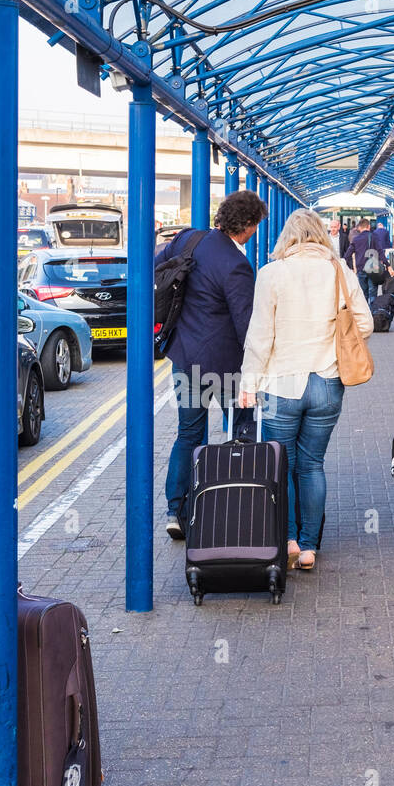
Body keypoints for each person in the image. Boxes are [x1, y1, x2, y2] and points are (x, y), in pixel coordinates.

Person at [238, 208, 373, 571]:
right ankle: (311, 547)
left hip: (282, 384)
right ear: (320, 235)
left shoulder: (271, 274)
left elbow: (260, 336)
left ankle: (290, 539)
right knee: (312, 464)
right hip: (328, 382)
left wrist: (248, 383)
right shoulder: (339, 270)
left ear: (288, 236)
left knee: (283, 464)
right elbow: (366, 323)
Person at [157, 189, 267, 540]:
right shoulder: (236, 264)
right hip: (224, 366)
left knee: (188, 433)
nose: (255, 232)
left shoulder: (189, 239)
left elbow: (159, 269)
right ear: (247, 226)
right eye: (255, 226)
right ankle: (235, 502)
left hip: (185, 356)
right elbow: (244, 322)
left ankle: (176, 510)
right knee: (241, 431)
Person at [345, 218, 378, 305]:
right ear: (369, 226)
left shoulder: (356, 239)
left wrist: (343, 262)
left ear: (360, 227)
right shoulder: (374, 237)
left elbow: (348, 253)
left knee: (363, 293)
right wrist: (388, 265)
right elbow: (380, 252)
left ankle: (365, 314)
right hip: (372, 268)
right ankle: (373, 314)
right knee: (372, 293)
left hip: (361, 268)